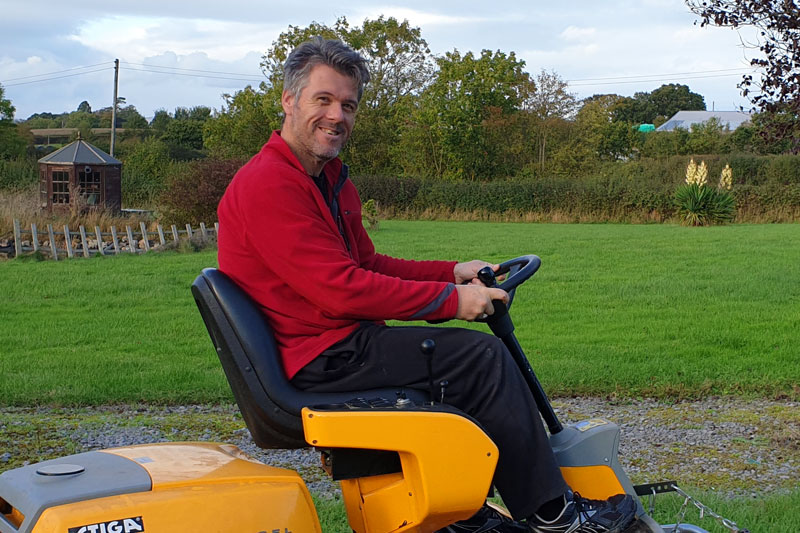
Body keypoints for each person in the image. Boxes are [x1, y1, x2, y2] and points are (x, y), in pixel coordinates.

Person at [217, 37, 637, 533]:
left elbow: (368, 263)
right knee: (480, 361)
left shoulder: (328, 180)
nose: (337, 116)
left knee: (448, 364)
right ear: (289, 101)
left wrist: (451, 272)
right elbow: (343, 289)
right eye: (323, 100)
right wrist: (452, 302)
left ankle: (461, 513)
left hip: (333, 345)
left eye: (348, 105)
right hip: (317, 359)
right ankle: (557, 517)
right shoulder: (270, 183)